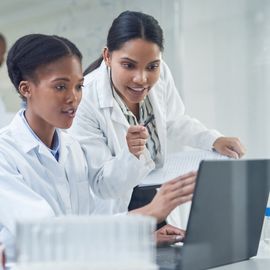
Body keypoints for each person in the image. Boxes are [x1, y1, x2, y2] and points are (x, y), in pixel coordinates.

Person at [0, 34, 196, 264]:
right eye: (60, 86)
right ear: (26, 89)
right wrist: (149, 213)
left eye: (79, 86)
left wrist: (142, 238)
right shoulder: (6, 154)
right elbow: (48, 234)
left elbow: (91, 221)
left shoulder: (71, 148)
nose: (73, 98)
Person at [69, 10, 246, 215]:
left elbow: (173, 120)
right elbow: (101, 184)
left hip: (157, 196)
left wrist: (213, 139)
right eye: (129, 65)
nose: (142, 78)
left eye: (152, 66)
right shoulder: (85, 100)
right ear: (107, 56)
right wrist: (131, 155)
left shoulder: (162, 73)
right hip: (119, 210)